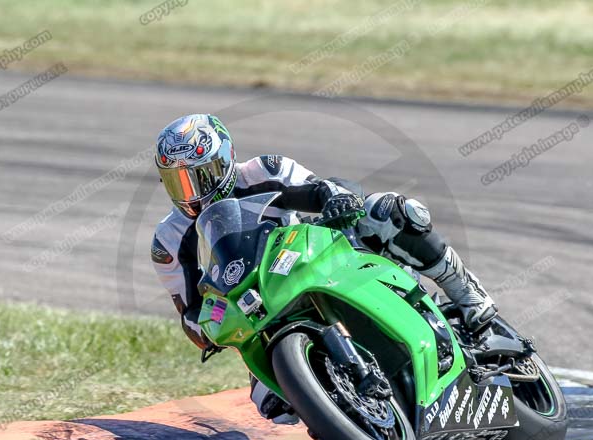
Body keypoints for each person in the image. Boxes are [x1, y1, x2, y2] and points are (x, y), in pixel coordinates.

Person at [152, 114, 497, 423]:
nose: (192, 192)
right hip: (258, 309)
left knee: (388, 211)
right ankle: (342, 410)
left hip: (309, 261)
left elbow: (323, 189)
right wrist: (210, 329)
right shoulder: (168, 239)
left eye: (200, 176)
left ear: (225, 159)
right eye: (178, 182)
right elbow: (190, 313)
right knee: (269, 402)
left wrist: (338, 198)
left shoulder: (265, 171)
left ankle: (467, 293)